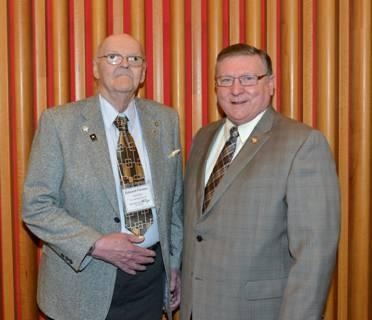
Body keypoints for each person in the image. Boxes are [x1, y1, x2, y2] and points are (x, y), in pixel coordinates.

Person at [22, 33, 183, 320]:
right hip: (84, 281)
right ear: (96, 69)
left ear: (144, 72)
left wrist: (174, 263)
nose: (124, 65)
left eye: (134, 59)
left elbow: (175, 202)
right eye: (113, 57)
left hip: (149, 278)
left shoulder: (166, 120)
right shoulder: (59, 123)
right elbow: (36, 206)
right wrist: (95, 244)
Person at [180, 43, 340, 320]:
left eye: (248, 79)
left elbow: (314, 254)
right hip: (197, 308)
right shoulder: (204, 138)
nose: (236, 89)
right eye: (225, 80)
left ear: (271, 84)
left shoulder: (302, 144)